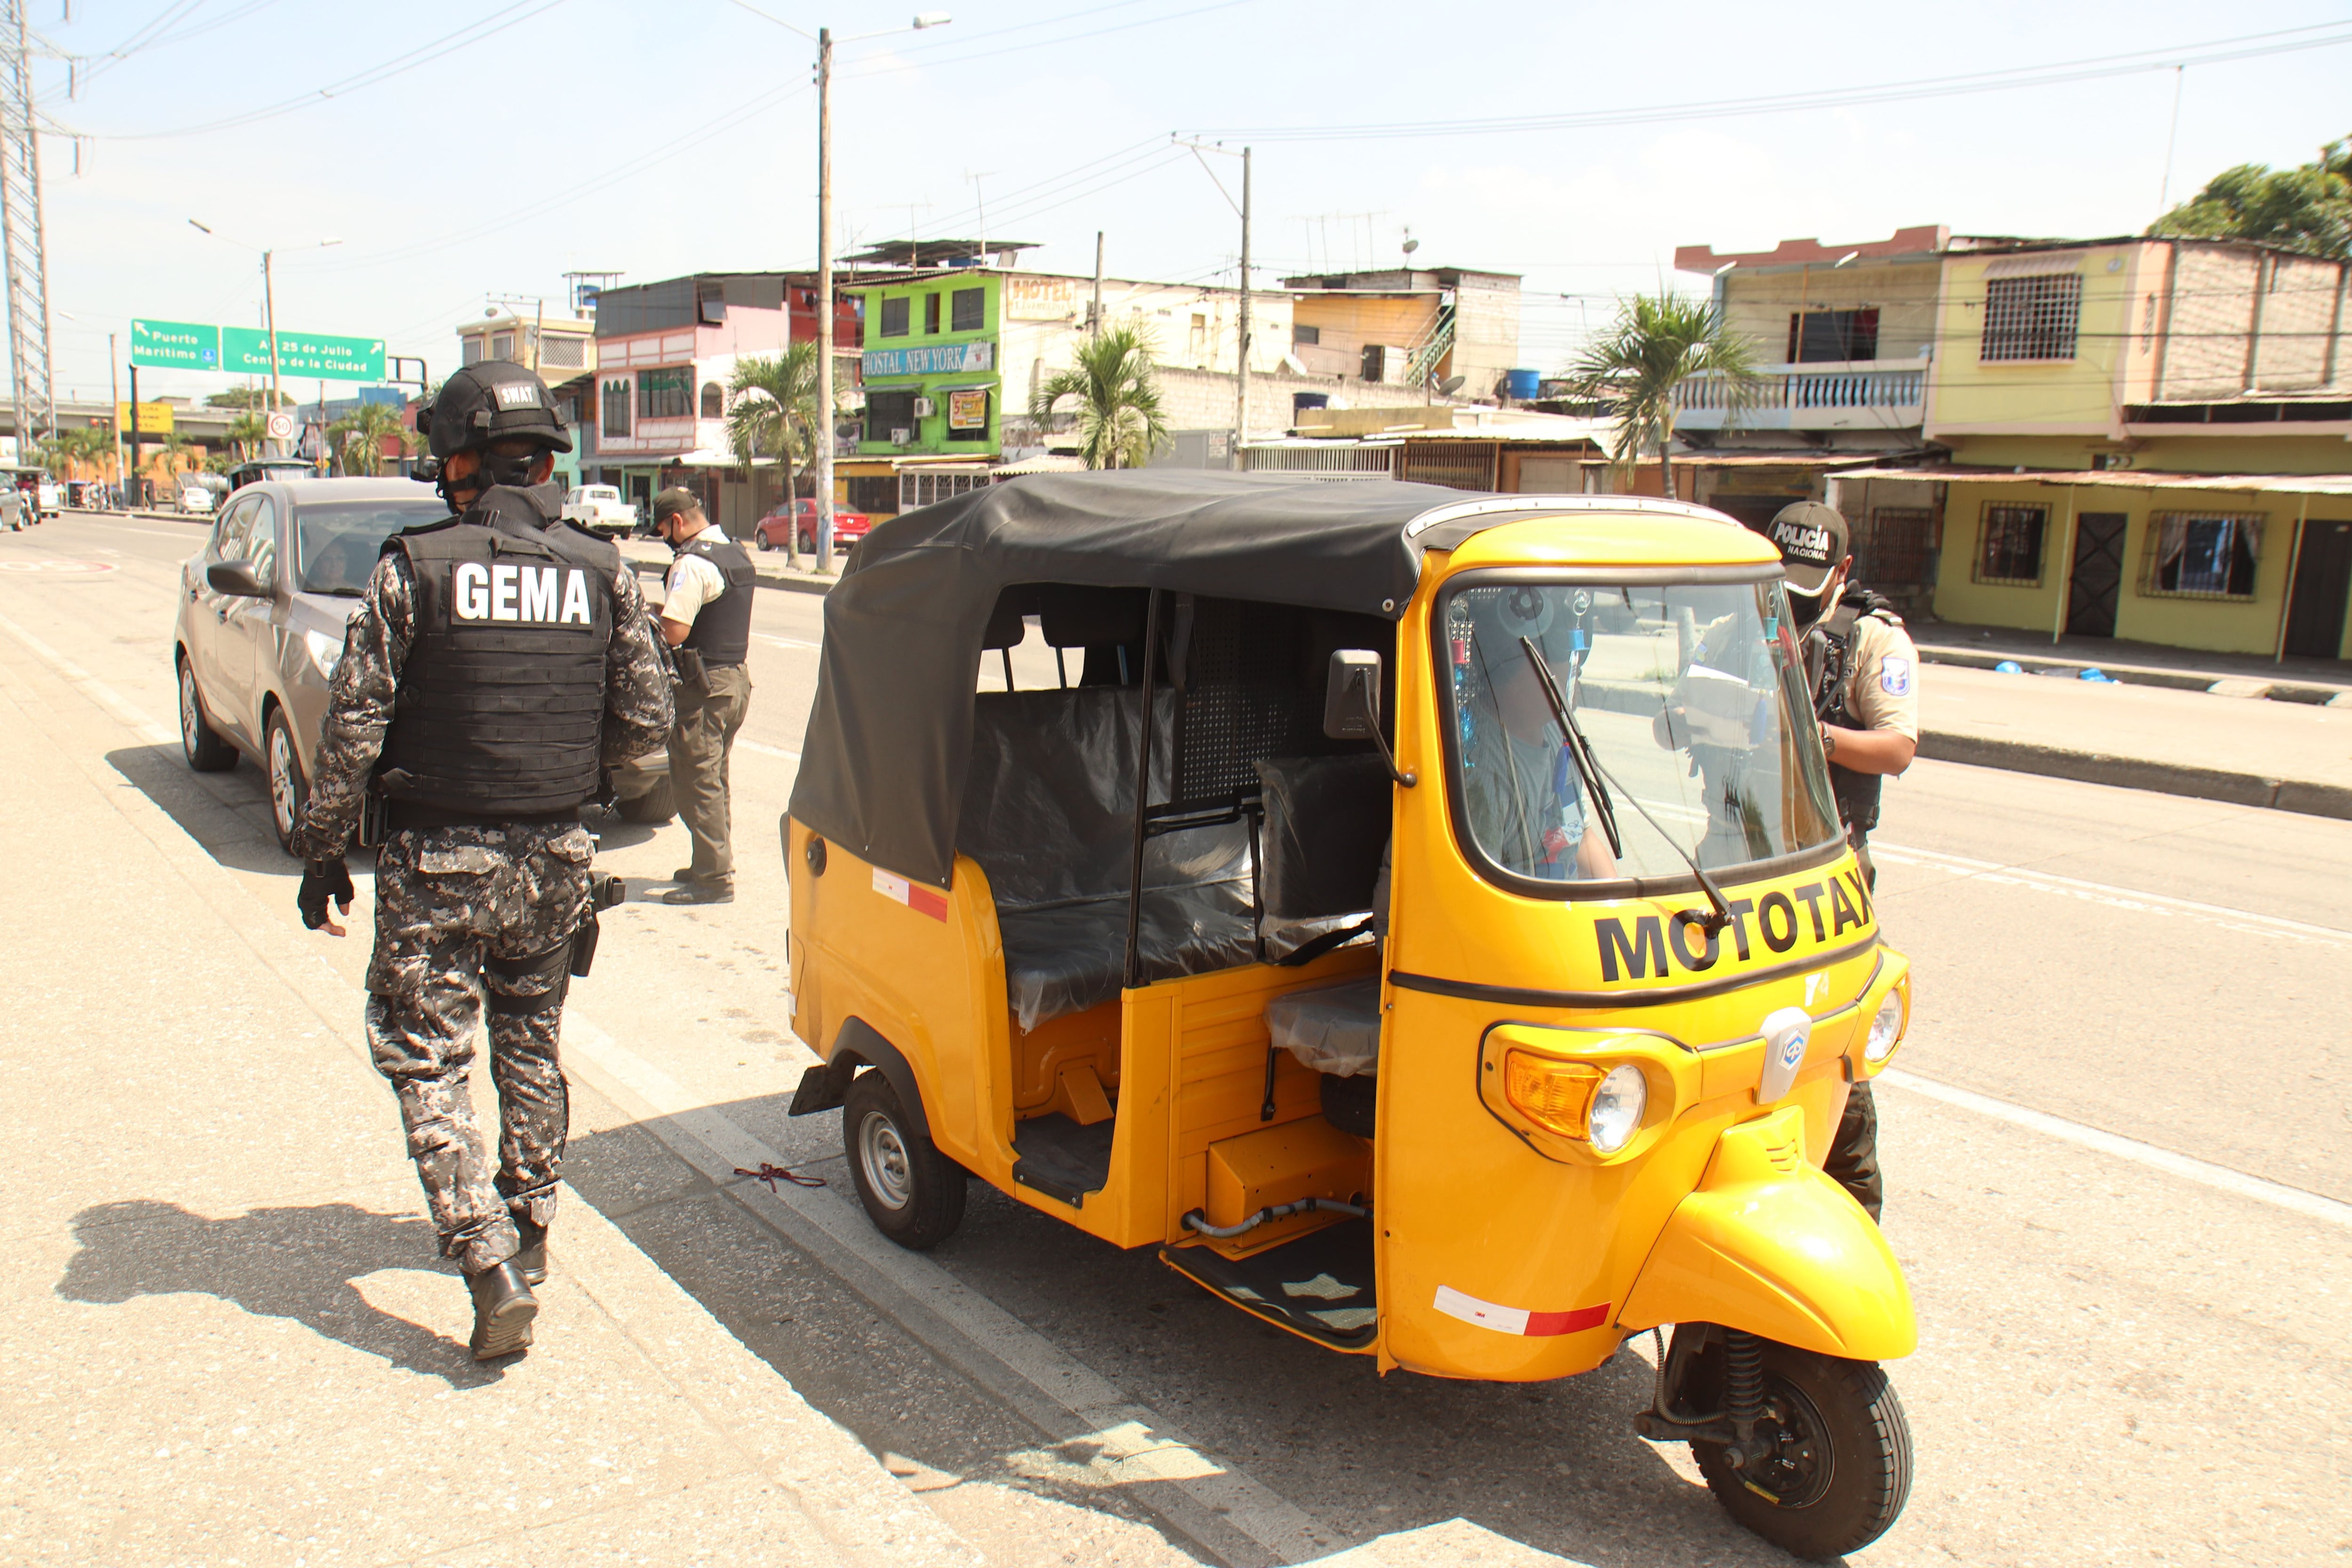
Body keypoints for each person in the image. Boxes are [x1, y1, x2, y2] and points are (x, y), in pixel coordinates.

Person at [286, 361, 672, 1361]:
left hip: (436, 860)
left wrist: (324, 851)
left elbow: (352, 730)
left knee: (429, 1056)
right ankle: (533, 1224)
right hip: (554, 854)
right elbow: (646, 731)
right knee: (532, 1039)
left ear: (462, 459)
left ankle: (486, 1256)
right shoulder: (604, 566)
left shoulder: (413, 565)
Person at [1765, 499, 1921, 1223]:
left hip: (1829, 869)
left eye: (1808, 583)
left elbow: (1897, 749)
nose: (1796, 597)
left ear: (1842, 572)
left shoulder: (1873, 642)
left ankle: (1853, 1212)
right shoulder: (1747, 615)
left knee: (1837, 1044)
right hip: (1741, 860)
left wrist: (1810, 732)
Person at [1455, 589, 1618, 883]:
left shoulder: (1558, 733)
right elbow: (1481, 895)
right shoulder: (1477, 774)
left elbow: (1582, 839)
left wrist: (1616, 903)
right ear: (1514, 673)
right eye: (1561, 677)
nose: (1572, 684)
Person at [651, 486, 755, 906]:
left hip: (704, 687)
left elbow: (676, 629)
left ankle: (713, 879)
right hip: (735, 683)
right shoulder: (735, 552)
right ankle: (712, 861)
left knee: (696, 781)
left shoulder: (692, 563)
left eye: (663, 529)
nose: (664, 537)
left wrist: (650, 614)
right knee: (715, 778)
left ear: (677, 522)